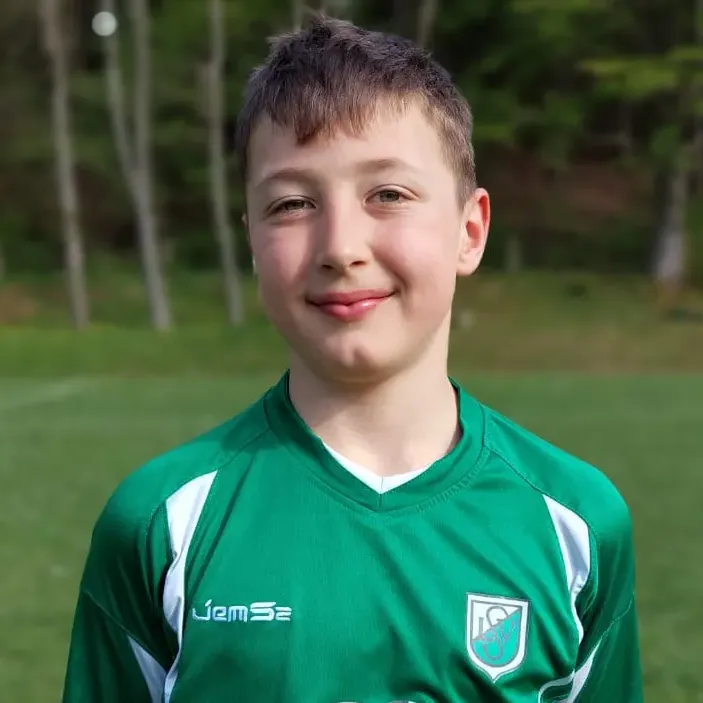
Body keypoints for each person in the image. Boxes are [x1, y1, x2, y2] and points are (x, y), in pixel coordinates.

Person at [62, 14, 643, 703]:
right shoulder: (161, 523)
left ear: (469, 229)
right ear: (252, 243)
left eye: (388, 195)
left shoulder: (575, 522)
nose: (340, 247)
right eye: (292, 203)